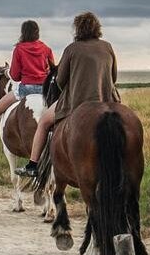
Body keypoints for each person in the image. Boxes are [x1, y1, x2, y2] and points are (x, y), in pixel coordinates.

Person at [16, 12, 118, 177]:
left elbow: (60, 81)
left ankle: (32, 165)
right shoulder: (108, 47)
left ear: (78, 29)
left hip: (77, 101)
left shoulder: (71, 49)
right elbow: (114, 76)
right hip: (106, 100)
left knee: (44, 122)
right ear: (97, 28)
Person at [0, 20, 52, 155]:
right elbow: (51, 70)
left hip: (26, 89)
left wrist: (8, 72)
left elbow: (15, 76)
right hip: (45, 90)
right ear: (37, 32)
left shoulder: (19, 49)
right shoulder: (46, 49)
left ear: (23, 32)